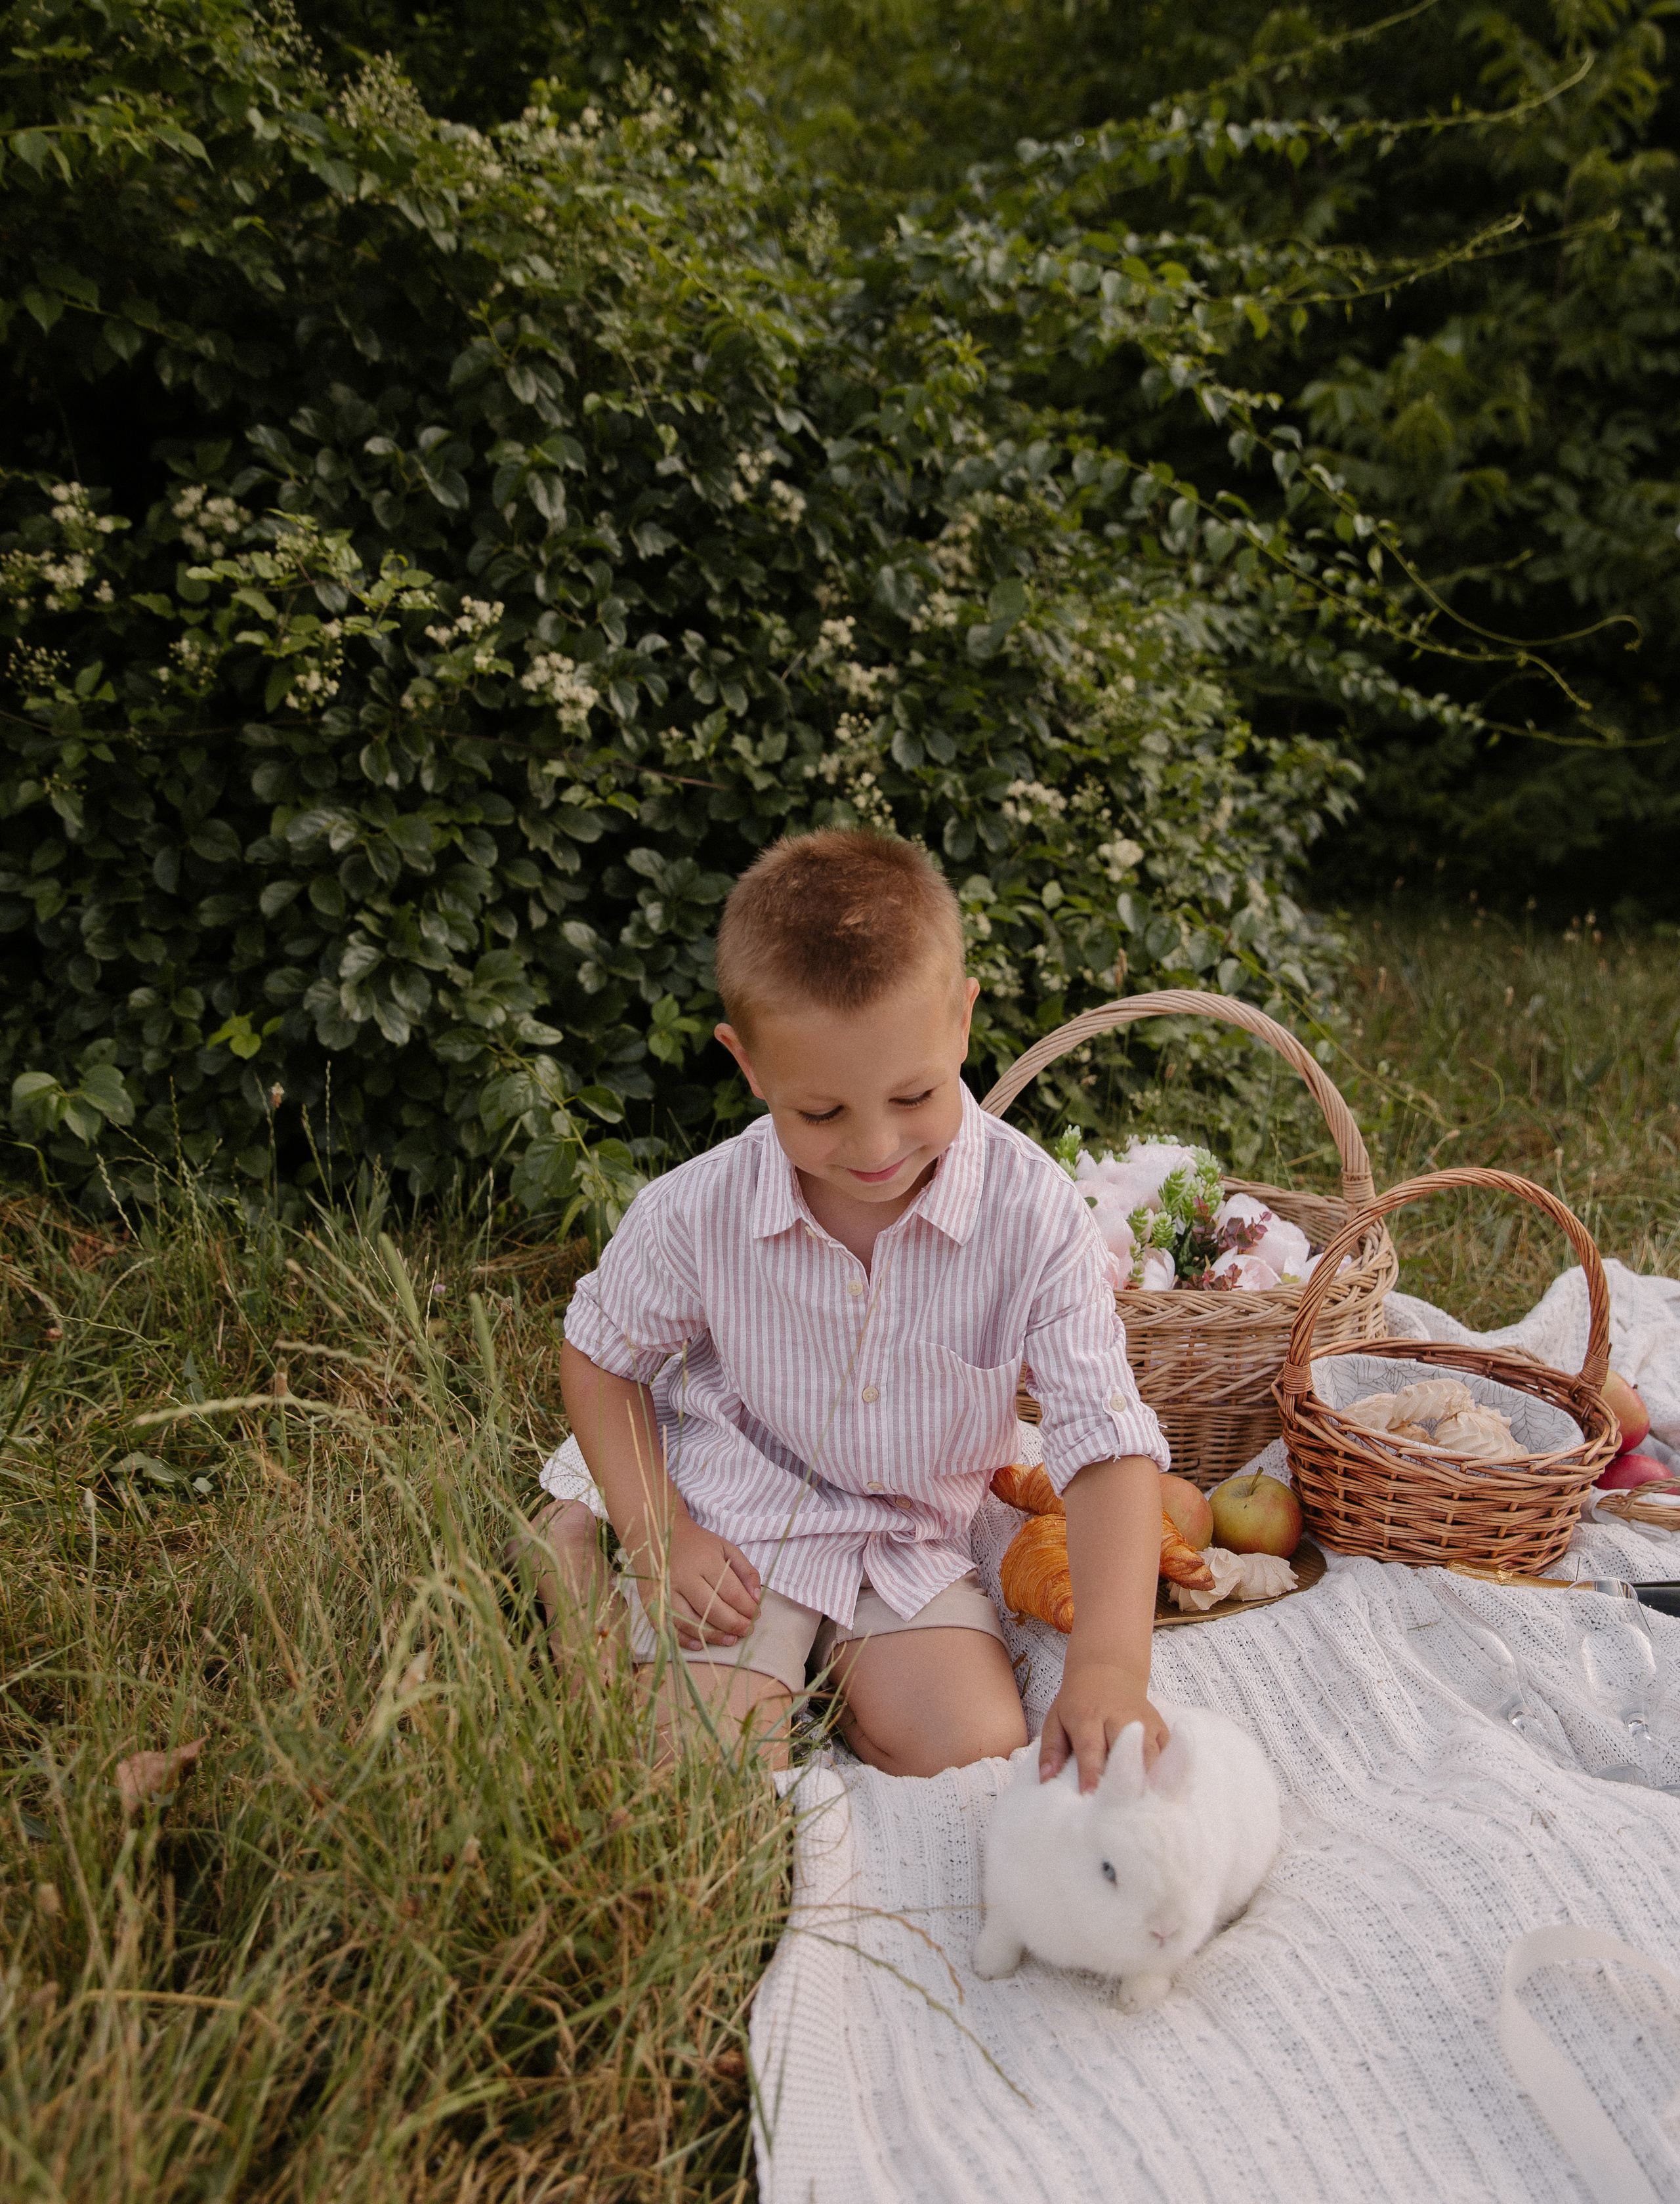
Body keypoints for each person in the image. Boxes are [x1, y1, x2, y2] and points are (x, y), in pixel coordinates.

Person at [529, 827, 1171, 1789]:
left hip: (906, 1537)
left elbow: (1104, 1441)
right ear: (749, 1066)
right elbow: (601, 1356)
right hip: (738, 1513)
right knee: (698, 1767)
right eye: (820, 1114)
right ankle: (573, 1556)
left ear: (962, 1021)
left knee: (970, 1750)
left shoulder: (1032, 1213)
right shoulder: (701, 1209)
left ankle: (823, 1673)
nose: (874, 1147)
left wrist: (1112, 1666)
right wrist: (661, 1533)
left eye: (915, 1095)